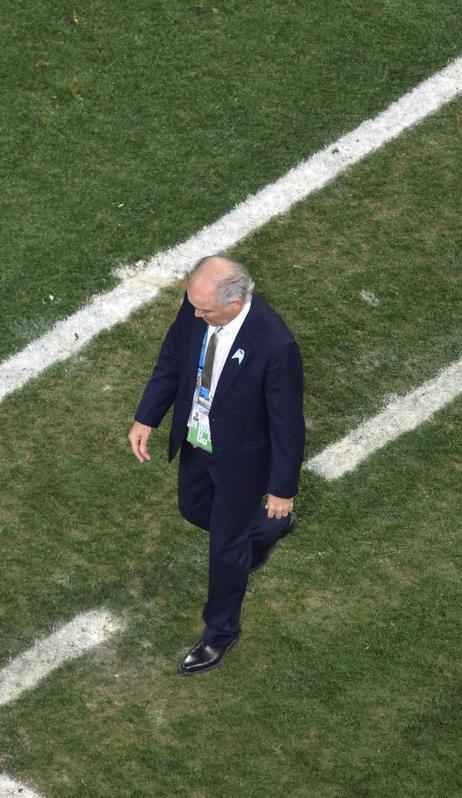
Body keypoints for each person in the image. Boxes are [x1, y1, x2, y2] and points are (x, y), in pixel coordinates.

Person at [128, 255, 304, 674]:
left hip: (242, 463)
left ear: (235, 301)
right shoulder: (199, 309)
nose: (194, 314)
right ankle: (264, 531)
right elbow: (172, 360)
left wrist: (282, 488)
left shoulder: (275, 345)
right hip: (196, 440)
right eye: (193, 305)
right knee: (192, 508)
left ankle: (220, 632)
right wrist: (147, 416)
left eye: (204, 309)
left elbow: (287, 424)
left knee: (224, 549)